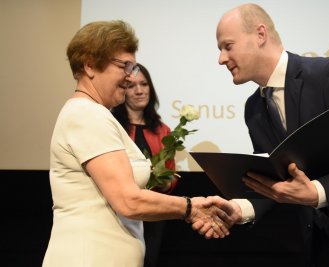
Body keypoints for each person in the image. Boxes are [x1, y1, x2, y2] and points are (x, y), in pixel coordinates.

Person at [214, 3, 329, 267]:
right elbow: (275, 181)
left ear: (260, 34)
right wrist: (239, 209)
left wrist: (316, 192)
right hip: (321, 250)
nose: (221, 58)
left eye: (227, 46)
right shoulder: (253, 108)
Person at [43, 20, 234, 267]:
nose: (129, 77)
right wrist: (190, 207)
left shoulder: (94, 114)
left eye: (132, 68)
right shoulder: (86, 115)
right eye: (124, 66)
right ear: (90, 65)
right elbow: (128, 201)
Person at [111, 63, 178, 267]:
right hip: (120, 211)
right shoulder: (112, 125)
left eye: (144, 84)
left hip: (153, 212)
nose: (139, 91)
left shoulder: (163, 130)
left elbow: (171, 173)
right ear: (123, 90)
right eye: (131, 86)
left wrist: (166, 181)